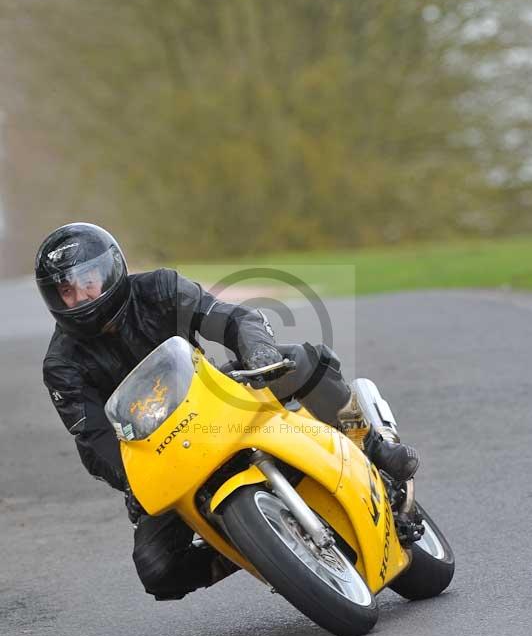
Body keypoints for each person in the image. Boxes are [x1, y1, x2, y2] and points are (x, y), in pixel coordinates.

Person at [36, 223, 419, 601]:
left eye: (88, 280)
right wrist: (130, 481)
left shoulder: (159, 288)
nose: (80, 297)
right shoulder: (61, 364)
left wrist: (258, 351)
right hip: (156, 453)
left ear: (111, 271)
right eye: (65, 290)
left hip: (212, 398)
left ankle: (367, 440)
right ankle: (251, 547)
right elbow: (94, 438)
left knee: (302, 360)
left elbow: (232, 318)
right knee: (157, 568)